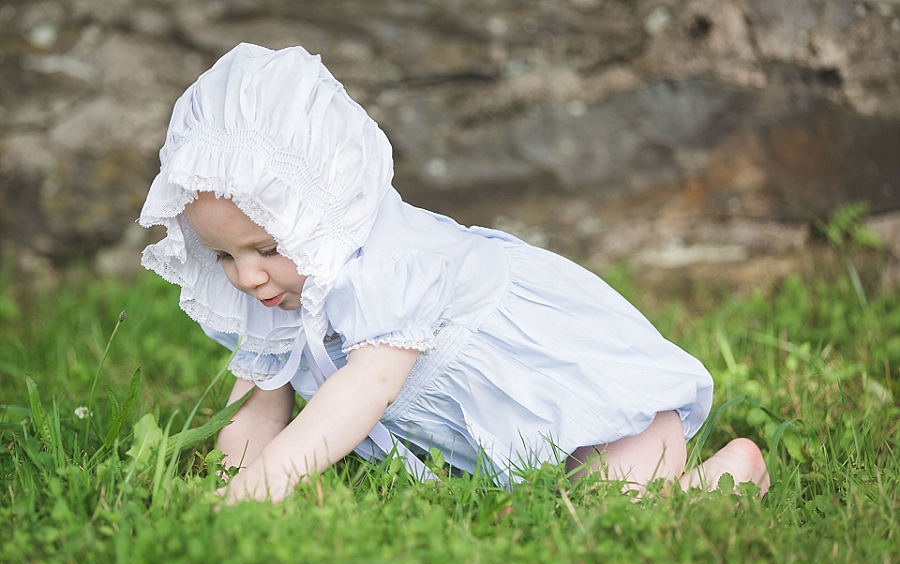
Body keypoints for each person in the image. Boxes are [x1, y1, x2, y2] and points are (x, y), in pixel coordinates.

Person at [139, 43, 769, 504]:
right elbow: (256, 404)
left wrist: (274, 480)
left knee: (625, 506)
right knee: (561, 503)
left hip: (573, 399)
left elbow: (361, 393)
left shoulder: (393, 264)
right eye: (224, 257)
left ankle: (727, 476)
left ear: (325, 209)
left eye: (265, 247)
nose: (248, 276)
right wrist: (233, 485)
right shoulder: (277, 290)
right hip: (509, 441)